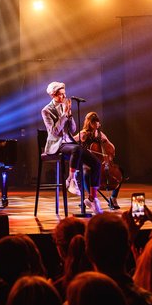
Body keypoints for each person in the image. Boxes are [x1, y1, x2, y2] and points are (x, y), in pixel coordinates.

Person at [41, 81, 102, 214]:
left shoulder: (65, 107)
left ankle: (92, 199)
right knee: (77, 149)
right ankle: (71, 179)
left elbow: (73, 129)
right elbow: (54, 132)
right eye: (60, 95)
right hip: (57, 144)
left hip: (69, 142)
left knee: (96, 163)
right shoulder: (46, 111)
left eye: (64, 94)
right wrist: (64, 115)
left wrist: (69, 114)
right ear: (53, 95)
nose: (64, 97)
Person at [78, 111, 122, 210]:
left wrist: (109, 150)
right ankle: (91, 198)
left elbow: (111, 146)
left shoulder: (100, 134)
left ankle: (113, 198)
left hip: (100, 163)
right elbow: (73, 140)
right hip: (87, 163)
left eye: (97, 122)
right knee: (86, 173)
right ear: (89, 123)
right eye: (93, 122)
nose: (96, 124)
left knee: (119, 172)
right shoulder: (83, 133)